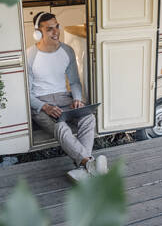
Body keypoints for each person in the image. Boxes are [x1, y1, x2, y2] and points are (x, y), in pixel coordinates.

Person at [27, 12, 108, 181]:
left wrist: (77, 98)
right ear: (38, 32)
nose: (56, 31)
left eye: (57, 26)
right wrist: (45, 107)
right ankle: (88, 163)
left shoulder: (67, 51)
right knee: (60, 126)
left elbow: (75, 82)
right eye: (49, 29)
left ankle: (86, 167)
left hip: (65, 98)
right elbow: (28, 93)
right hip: (42, 104)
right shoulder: (30, 56)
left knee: (89, 118)